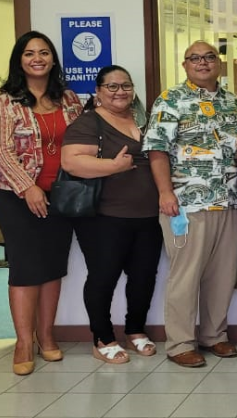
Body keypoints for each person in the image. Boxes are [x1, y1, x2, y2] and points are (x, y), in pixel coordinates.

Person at [145, 41, 237, 368]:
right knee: (185, 275)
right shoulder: (170, 100)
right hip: (187, 202)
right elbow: (157, 150)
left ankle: (214, 336)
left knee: (223, 273)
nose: (202, 63)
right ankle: (180, 343)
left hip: (230, 200)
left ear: (218, 63)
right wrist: (165, 193)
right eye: (195, 58)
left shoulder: (232, 103)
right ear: (185, 65)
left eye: (208, 57)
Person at [0, 31, 83, 375]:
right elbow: (0, 150)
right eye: (29, 53)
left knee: (54, 266)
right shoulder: (5, 101)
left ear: (53, 59)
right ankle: (23, 341)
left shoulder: (70, 99)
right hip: (16, 197)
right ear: (20, 60)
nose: (37, 58)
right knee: (27, 268)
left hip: (62, 194)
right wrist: (28, 187)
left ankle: (47, 335)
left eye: (44, 52)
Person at [62, 65, 160, 365]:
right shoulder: (89, 122)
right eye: (112, 86)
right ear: (98, 92)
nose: (120, 92)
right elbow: (71, 162)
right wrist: (113, 167)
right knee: (104, 277)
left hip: (147, 215)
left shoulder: (143, 120)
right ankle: (102, 337)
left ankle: (135, 330)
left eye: (126, 86)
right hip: (104, 215)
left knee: (144, 276)